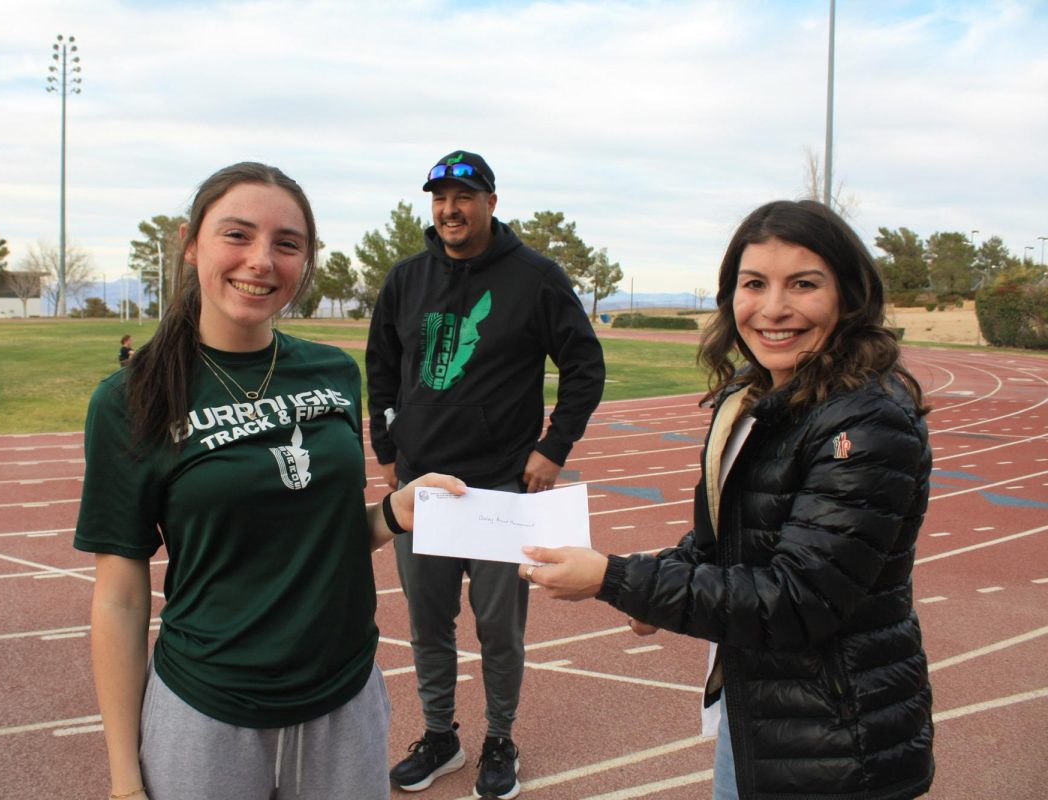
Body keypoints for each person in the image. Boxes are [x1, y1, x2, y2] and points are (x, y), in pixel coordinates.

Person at [74, 162, 464, 800]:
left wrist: (393, 512)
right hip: (207, 715)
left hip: (345, 700)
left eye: (287, 244)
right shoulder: (131, 399)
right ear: (191, 243)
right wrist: (124, 780)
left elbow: (322, 533)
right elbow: (119, 597)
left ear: (305, 263)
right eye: (238, 235)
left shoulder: (334, 373)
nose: (261, 261)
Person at [521, 200, 935, 799]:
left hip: (836, 749)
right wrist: (655, 579)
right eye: (754, 284)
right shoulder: (757, 398)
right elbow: (728, 536)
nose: (773, 308)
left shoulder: (867, 425)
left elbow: (797, 599)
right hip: (759, 716)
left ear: (849, 295)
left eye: (803, 285)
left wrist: (616, 580)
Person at [366, 150, 606, 798]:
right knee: (427, 625)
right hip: (423, 489)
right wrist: (385, 446)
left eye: (463, 196)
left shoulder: (536, 278)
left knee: (500, 628)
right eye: (440, 197)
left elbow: (585, 365)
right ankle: (440, 736)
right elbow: (381, 364)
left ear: (490, 203)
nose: (450, 209)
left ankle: (501, 737)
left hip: (501, 487)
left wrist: (554, 447)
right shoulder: (406, 279)